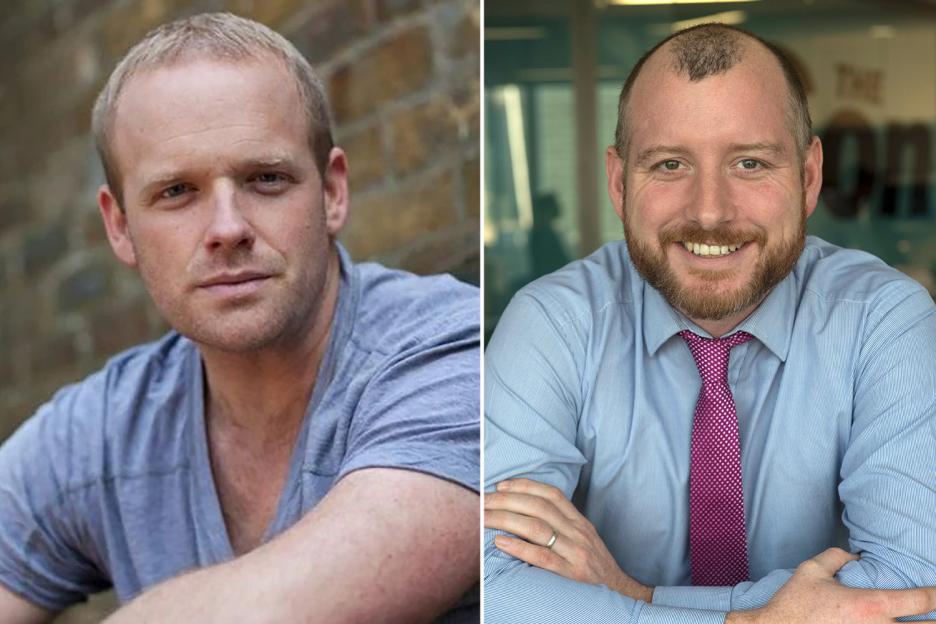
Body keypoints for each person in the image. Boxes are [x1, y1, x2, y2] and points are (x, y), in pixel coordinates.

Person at [0, 12, 480, 624]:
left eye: (266, 179)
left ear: (332, 193)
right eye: (177, 192)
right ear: (119, 225)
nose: (227, 229)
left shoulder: (453, 355)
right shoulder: (102, 431)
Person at [484, 23, 936, 624]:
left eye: (750, 163)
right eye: (670, 164)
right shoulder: (553, 322)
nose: (709, 211)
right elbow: (490, 585)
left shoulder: (885, 317)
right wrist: (743, 622)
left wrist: (637, 597)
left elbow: (914, 590)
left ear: (807, 178)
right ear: (620, 184)